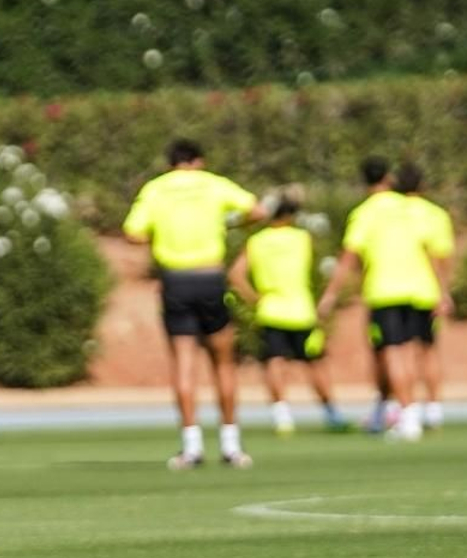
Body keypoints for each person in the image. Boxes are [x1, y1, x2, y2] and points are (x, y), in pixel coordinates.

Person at [122, 139, 266, 469]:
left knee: (184, 364)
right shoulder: (212, 183)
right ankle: (231, 445)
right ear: (198, 160)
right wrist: (230, 224)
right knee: (223, 360)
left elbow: (133, 232)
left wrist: (158, 236)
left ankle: (191, 446)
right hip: (209, 277)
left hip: (175, 280)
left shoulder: (157, 189)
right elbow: (257, 210)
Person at [318, 157, 437, 442]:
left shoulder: (365, 212)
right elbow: (429, 248)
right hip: (416, 288)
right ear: (388, 178)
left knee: (392, 353)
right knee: (407, 351)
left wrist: (330, 295)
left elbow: (348, 257)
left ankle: (407, 418)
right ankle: (411, 411)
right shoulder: (408, 207)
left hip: (385, 290)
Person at [229, 196, 346, 436]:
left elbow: (236, 275)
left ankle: (282, 417)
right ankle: (331, 413)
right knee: (315, 363)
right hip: (302, 310)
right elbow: (327, 269)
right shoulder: (303, 238)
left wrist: (255, 298)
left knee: (275, 362)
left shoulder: (257, 241)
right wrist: (324, 298)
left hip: (271, 311)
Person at [394, 162, 455, 431]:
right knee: (428, 349)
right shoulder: (435, 214)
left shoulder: (390, 213)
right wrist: (444, 291)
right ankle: (434, 408)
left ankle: (409, 409)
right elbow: (441, 258)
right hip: (426, 290)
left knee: (402, 351)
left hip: (394, 289)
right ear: (423, 186)